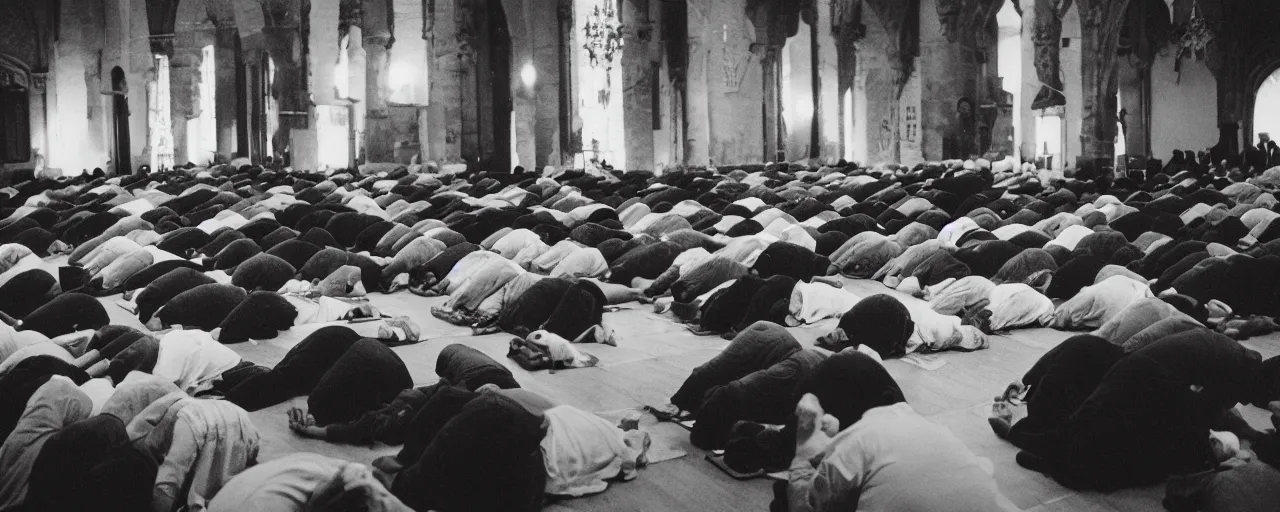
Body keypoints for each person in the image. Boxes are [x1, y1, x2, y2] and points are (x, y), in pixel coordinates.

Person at [784, 393, 1017, 512]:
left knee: (805, 479)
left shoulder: (861, 435)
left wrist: (805, 449)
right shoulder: (938, 432)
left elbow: (814, 500)